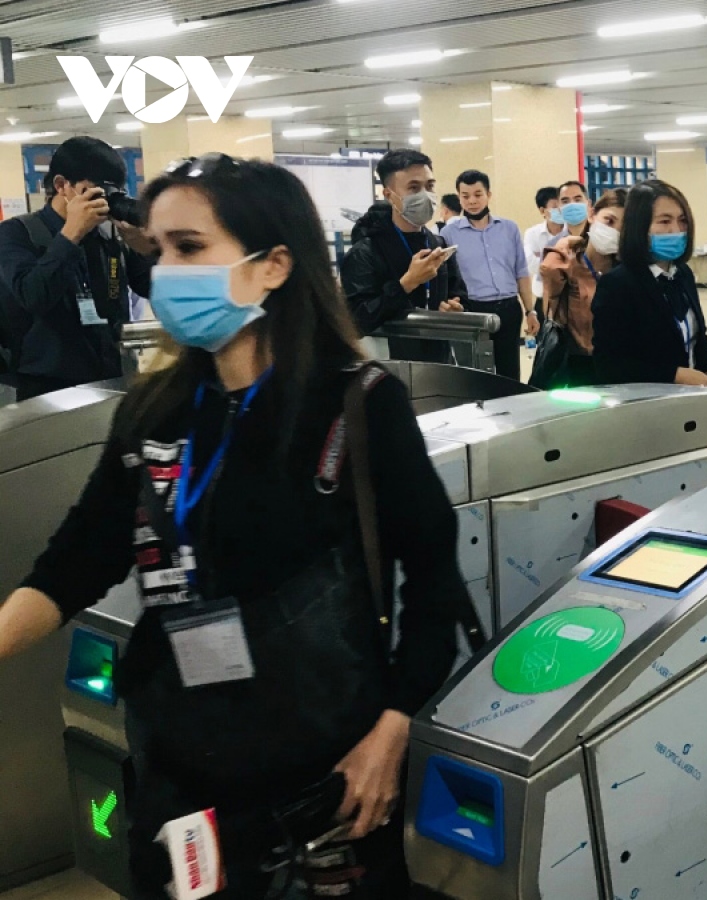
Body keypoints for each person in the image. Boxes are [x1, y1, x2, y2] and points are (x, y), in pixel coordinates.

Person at [0, 154, 471, 897]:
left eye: (190, 248)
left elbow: (435, 578)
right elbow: (78, 558)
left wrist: (393, 726)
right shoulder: (153, 410)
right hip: (180, 765)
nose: (164, 272)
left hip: (323, 774)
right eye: (157, 251)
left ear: (273, 265)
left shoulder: (354, 405)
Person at [0, 136, 156, 400]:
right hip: (44, 384)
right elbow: (33, 296)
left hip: (111, 375)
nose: (105, 203)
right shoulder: (17, 233)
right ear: (62, 185)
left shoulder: (109, 237)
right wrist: (70, 235)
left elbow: (153, 288)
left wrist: (144, 250)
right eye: (97, 192)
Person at [592, 180, 707, 387]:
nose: (676, 230)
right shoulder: (618, 284)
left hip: (691, 400)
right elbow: (609, 365)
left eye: (682, 221)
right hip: (647, 404)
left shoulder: (682, 274)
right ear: (640, 226)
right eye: (664, 221)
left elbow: (699, 335)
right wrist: (674, 375)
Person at [339, 149, 465, 365]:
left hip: (439, 363)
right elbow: (356, 321)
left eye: (430, 186)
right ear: (389, 195)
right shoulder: (365, 253)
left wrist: (456, 307)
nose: (425, 196)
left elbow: (459, 293)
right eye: (414, 188)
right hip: (387, 367)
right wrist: (407, 283)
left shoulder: (438, 244)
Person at [442, 169, 538, 381]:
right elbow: (446, 278)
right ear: (459, 198)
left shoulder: (509, 228)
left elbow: (521, 271)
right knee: (475, 373)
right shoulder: (448, 234)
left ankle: (511, 411)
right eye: (465, 196)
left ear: (489, 195)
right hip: (472, 311)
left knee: (510, 372)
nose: (472, 201)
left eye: (478, 194)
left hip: (508, 308)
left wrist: (531, 311)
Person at [537, 188, 626, 388]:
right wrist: (560, 248)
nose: (614, 232)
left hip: (617, 366)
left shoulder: (625, 271)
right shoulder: (569, 262)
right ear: (592, 214)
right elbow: (549, 308)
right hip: (574, 365)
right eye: (609, 221)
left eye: (623, 227)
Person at [523, 186, 565, 308]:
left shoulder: (571, 231)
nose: (560, 210)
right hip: (543, 300)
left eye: (562, 205)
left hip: (569, 300)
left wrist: (543, 258)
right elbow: (530, 264)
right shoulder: (532, 233)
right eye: (555, 207)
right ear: (542, 211)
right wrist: (561, 263)